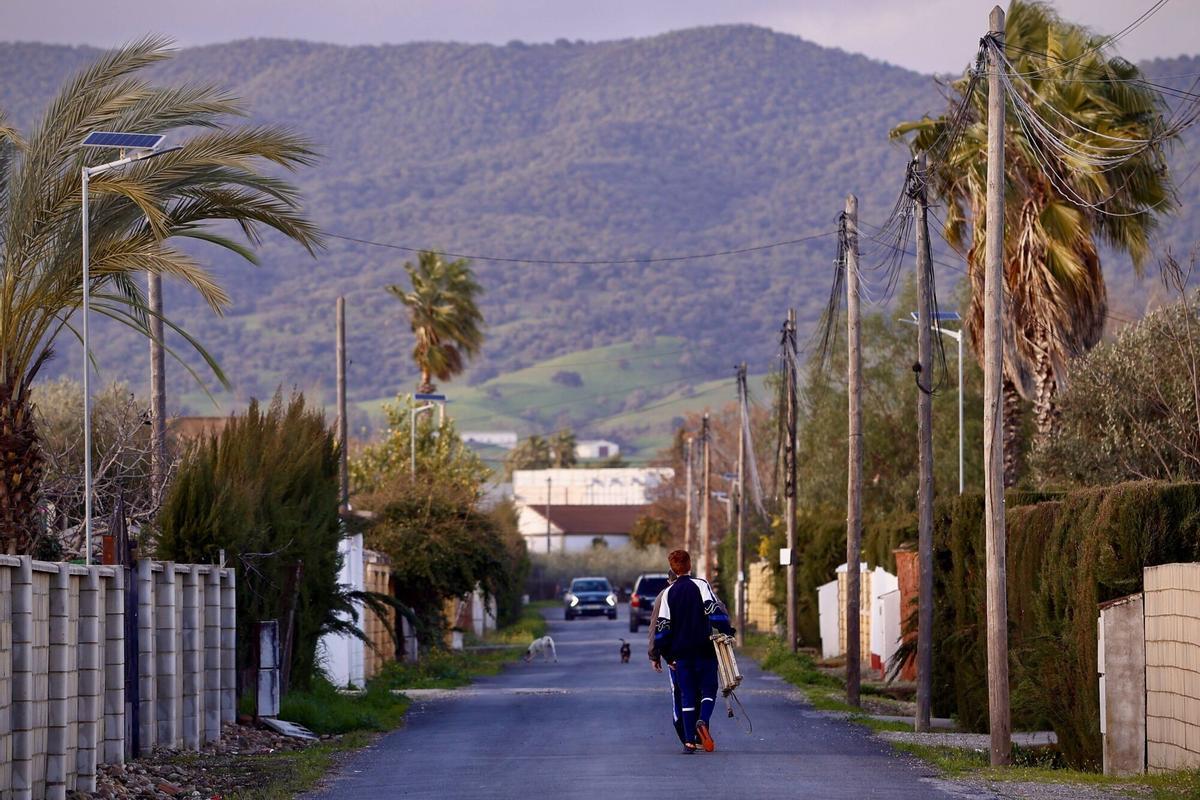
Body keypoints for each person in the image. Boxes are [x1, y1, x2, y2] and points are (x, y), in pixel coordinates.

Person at [648, 549, 734, 753]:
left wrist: (665, 655)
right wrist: (727, 630)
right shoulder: (701, 585)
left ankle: (688, 742)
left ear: (672, 568)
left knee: (686, 694)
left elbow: (662, 627)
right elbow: (714, 612)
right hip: (704, 649)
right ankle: (702, 720)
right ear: (690, 565)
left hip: (680, 654)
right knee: (708, 689)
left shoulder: (668, 593)